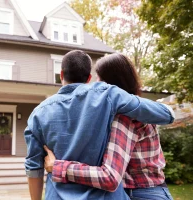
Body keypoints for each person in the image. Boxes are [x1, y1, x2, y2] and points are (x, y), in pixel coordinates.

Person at [24, 50, 174, 200]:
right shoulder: (108, 97)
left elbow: (33, 167)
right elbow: (166, 115)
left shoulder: (37, 114)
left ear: (61, 75)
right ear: (89, 78)